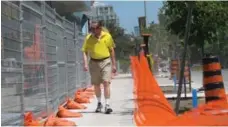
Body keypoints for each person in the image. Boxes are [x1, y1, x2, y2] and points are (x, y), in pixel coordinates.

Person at [81, 20, 116, 114]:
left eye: (94, 28)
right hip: (93, 62)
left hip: (106, 61)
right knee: (96, 84)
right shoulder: (89, 38)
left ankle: (107, 105)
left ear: (99, 28)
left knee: (106, 82)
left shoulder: (107, 36)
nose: (92, 30)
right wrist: (85, 63)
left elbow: (111, 50)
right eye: (91, 28)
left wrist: (114, 64)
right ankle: (99, 103)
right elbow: (84, 51)